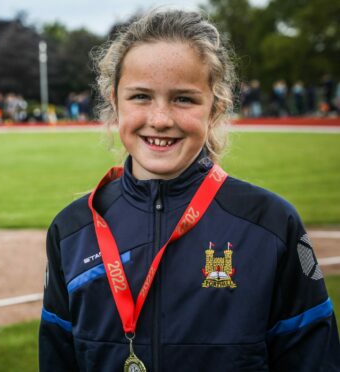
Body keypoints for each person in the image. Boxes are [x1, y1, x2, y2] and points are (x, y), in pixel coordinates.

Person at [39, 9, 340, 372]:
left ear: (216, 107)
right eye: (140, 96)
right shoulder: (72, 230)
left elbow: (314, 360)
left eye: (183, 98)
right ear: (113, 101)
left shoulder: (272, 224)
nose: (161, 119)